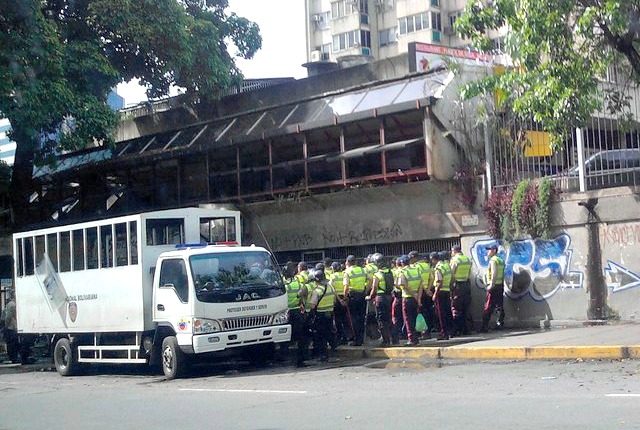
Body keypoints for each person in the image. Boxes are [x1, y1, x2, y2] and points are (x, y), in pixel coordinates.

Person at [282, 263, 310, 367]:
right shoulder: (298, 284)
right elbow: (303, 295)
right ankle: (301, 357)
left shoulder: (283, 285)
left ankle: (284, 357)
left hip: (286, 312)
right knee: (300, 336)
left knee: (285, 337)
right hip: (298, 311)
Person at [366, 253, 395, 346]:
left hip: (381, 298)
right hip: (390, 297)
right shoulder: (391, 272)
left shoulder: (377, 274)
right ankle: (395, 339)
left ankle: (386, 341)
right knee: (390, 318)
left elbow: (374, 288)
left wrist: (370, 297)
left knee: (381, 319)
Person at [308, 268, 337, 362]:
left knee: (320, 336)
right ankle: (333, 347)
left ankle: (323, 355)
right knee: (329, 332)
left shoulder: (317, 291)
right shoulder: (331, 287)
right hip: (330, 313)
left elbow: (312, 305)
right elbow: (334, 300)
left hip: (320, 315)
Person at [396, 255, 423, 346]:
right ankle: (416, 338)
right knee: (414, 318)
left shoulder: (403, 272)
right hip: (416, 299)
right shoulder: (416, 270)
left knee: (408, 319)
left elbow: (402, 285)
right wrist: (418, 298)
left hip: (407, 298)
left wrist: (413, 295)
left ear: (402, 263)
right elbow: (421, 285)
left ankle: (412, 339)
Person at [343, 255, 367, 346]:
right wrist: (366, 290)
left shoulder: (347, 272)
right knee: (361, 317)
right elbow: (369, 279)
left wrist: (345, 297)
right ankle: (361, 339)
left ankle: (357, 340)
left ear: (348, 263)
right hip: (362, 295)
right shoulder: (362, 270)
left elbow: (346, 286)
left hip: (353, 296)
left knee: (354, 319)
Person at [481, 244, 506, 332]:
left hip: (493, 286)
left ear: (494, 251)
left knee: (488, 306)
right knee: (499, 306)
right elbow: (502, 274)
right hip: (500, 286)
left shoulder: (493, 260)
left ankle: (484, 326)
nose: (488, 252)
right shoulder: (501, 260)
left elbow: (494, 273)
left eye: (490, 250)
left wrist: (491, 285)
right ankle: (500, 323)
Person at [450, 245, 473, 336]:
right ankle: (466, 329)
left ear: (454, 251)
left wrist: (451, 285)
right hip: (466, 285)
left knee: (456, 308)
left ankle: (457, 329)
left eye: (452, 251)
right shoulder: (467, 259)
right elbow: (470, 273)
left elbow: (452, 274)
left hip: (458, 286)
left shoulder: (455, 260)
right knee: (465, 308)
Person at [431, 252, 453, 340]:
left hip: (440, 292)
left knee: (441, 314)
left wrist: (435, 294)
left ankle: (444, 333)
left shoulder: (438, 268)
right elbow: (452, 278)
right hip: (447, 291)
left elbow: (439, 281)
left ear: (434, 259)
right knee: (448, 312)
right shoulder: (447, 266)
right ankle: (450, 331)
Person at [330, 262, 349, 346]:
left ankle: (340, 337)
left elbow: (332, 289)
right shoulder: (344, 274)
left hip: (337, 299)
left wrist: (339, 300)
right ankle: (346, 337)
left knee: (337, 320)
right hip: (344, 297)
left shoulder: (332, 276)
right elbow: (346, 286)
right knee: (345, 319)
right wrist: (345, 298)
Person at [391, 257, 405, 342]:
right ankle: (404, 333)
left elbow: (394, 284)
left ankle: (397, 334)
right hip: (406, 295)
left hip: (397, 296)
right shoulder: (405, 271)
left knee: (396, 316)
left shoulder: (394, 272)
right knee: (405, 316)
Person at [1, 295, 19, 363]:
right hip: (13, 326)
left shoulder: (10, 304)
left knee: (10, 343)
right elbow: (10, 316)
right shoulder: (13, 304)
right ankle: (14, 358)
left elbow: (8, 316)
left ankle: (12, 357)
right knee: (13, 343)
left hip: (10, 326)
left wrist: (6, 324)